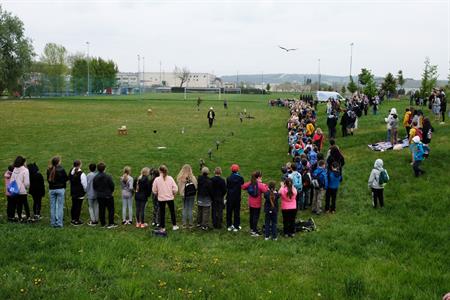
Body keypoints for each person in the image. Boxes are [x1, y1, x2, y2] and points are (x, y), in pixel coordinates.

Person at [152, 165, 178, 232]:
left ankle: (163, 227)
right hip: (170, 198)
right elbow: (175, 189)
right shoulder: (170, 178)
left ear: (159, 171)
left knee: (162, 213)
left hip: (161, 198)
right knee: (172, 212)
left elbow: (154, 190)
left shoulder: (157, 179)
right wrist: (173, 194)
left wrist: (157, 193)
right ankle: (174, 225)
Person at [242, 170, 268, 236]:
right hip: (257, 204)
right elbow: (266, 190)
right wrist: (264, 184)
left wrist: (251, 182)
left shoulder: (251, 183)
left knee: (251, 216)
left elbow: (243, 186)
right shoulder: (260, 185)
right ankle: (254, 231)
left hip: (251, 203)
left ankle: (252, 228)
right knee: (255, 217)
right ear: (258, 177)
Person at [93, 162, 117, 228]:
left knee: (101, 209)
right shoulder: (108, 176)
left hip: (100, 195)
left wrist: (98, 191)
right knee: (111, 209)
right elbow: (112, 185)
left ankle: (103, 223)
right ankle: (111, 223)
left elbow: (94, 186)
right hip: (108, 195)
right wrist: (111, 192)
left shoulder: (95, 177)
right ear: (105, 169)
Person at [47, 156, 68, 228]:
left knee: (52, 207)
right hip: (60, 189)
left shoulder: (49, 169)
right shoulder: (61, 169)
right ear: (58, 162)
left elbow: (48, 180)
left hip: (52, 189)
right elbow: (66, 178)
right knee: (60, 207)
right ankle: (59, 223)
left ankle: (53, 223)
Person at [10, 156, 31, 222]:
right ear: (23, 162)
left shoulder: (14, 169)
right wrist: (26, 187)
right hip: (22, 190)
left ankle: (20, 218)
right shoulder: (25, 170)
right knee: (25, 204)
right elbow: (27, 182)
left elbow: (11, 180)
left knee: (19, 204)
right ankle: (28, 217)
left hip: (15, 189)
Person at [176, 164, 198, 228]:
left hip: (184, 195)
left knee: (184, 208)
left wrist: (181, 192)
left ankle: (184, 223)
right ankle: (191, 224)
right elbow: (196, 186)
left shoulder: (180, 178)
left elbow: (179, 187)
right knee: (190, 208)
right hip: (191, 195)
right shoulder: (192, 177)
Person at [226, 164, 244, 232]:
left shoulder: (228, 178)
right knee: (237, 211)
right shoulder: (240, 178)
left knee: (229, 211)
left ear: (231, 170)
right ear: (238, 170)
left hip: (230, 197)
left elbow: (227, 186)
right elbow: (242, 184)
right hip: (237, 197)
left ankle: (229, 225)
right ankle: (236, 226)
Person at [69, 160, 87, 226]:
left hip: (73, 192)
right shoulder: (82, 174)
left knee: (74, 205)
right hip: (79, 193)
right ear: (80, 165)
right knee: (78, 206)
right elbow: (84, 185)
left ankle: (73, 219)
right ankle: (76, 220)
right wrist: (85, 191)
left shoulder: (71, 172)